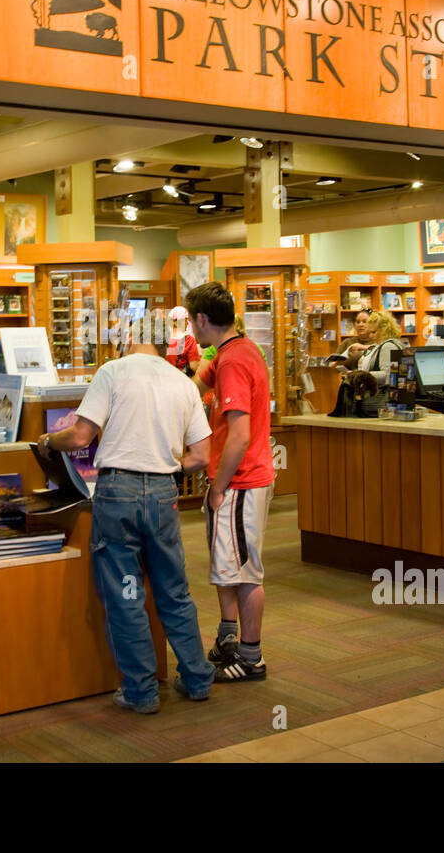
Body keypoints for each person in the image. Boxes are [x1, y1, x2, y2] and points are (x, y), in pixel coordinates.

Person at [38, 315, 214, 714]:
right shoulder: (182, 383)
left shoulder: (112, 372)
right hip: (165, 496)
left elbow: (81, 436)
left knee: (126, 593)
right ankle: (197, 678)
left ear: (129, 337)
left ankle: (140, 691)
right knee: (174, 591)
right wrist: (166, 467)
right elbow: (202, 455)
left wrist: (49, 440)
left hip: (118, 492)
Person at [184, 281, 274, 682]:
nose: (190, 328)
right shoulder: (231, 352)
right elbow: (193, 388)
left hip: (239, 480)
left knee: (244, 569)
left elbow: (239, 434)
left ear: (203, 319)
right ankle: (228, 637)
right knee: (226, 565)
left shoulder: (234, 361)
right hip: (234, 478)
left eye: (191, 321)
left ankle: (251, 657)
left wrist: (218, 486)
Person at [358, 311, 406, 386]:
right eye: (370, 333)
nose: (370, 336)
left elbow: (388, 375)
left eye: (374, 332)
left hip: (383, 395)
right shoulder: (393, 344)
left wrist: (361, 375)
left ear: (384, 330)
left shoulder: (388, 346)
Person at [165, 305, 200, 377]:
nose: (188, 322)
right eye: (186, 319)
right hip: (180, 379)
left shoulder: (163, 336)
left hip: (163, 378)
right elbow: (194, 366)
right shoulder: (188, 340)